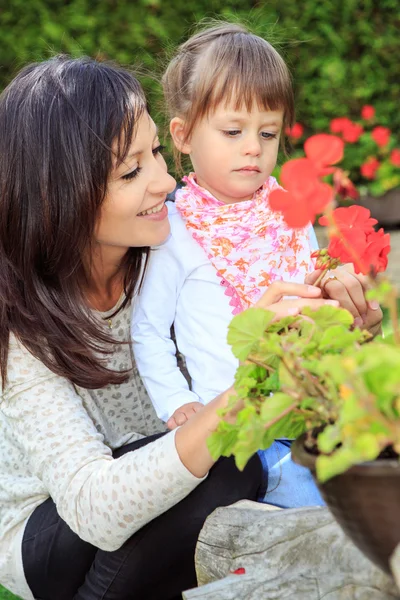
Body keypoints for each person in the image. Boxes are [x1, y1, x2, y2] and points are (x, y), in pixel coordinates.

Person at [0, 54, 354, 600]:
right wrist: (245, 394)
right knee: (225, 464)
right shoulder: (21, 323)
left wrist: (341, 326)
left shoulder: (167, 248)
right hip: (48, 529)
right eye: (130, 170)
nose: (165, 180)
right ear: (57, 196)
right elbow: (95, 508)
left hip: (165, 485)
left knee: (237, 461)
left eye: (158, 153)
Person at [131, 23, 383, 508]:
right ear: (182, 135)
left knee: (360, 481)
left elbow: (311, 284)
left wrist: (337, 292)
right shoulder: (175, 230)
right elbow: (148, 330)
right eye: (233, 131)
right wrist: (178, 402)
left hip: (312, 399)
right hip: (242, 421)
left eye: (268, 132)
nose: (254, 147)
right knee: (304, 505)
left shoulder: (288, 206)